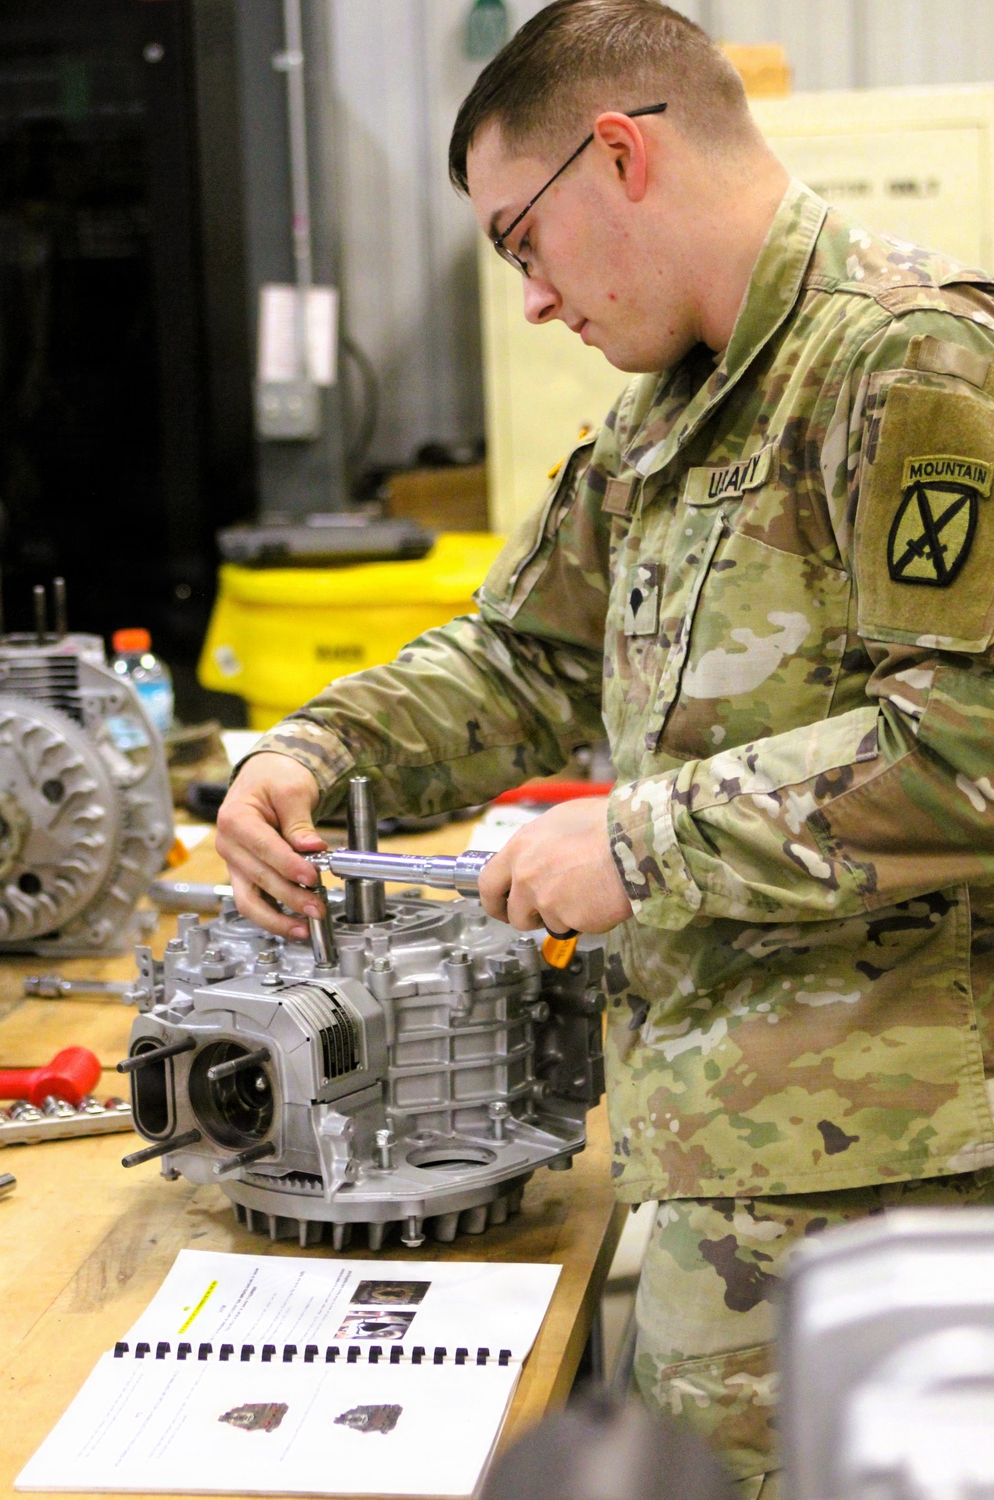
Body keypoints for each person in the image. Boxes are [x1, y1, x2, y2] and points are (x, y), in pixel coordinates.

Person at [216, 3, 994, 1493]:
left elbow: (973, 736)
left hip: (886, 1178)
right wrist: (309, 752)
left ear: (620, 153)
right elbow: (521, 658)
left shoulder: (906, 363)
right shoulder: (673, 414)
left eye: (522, 239)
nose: (531, 300)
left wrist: (635, 844)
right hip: (726, 1149)